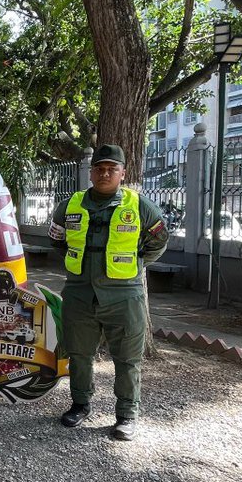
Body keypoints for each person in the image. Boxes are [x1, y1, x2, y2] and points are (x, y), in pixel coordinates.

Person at [48, 144, 169, 440]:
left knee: (127, 358)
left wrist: (135, 264)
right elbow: (57, 239)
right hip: (79, 292)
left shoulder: (139, 206)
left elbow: (159, 242)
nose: (105, 173)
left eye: (112, 169)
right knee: (79, 353)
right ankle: (80, 404)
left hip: (124, 296)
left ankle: (127, 415)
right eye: (99, 168)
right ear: (91, 173)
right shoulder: (70, 205)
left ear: (123, 173)